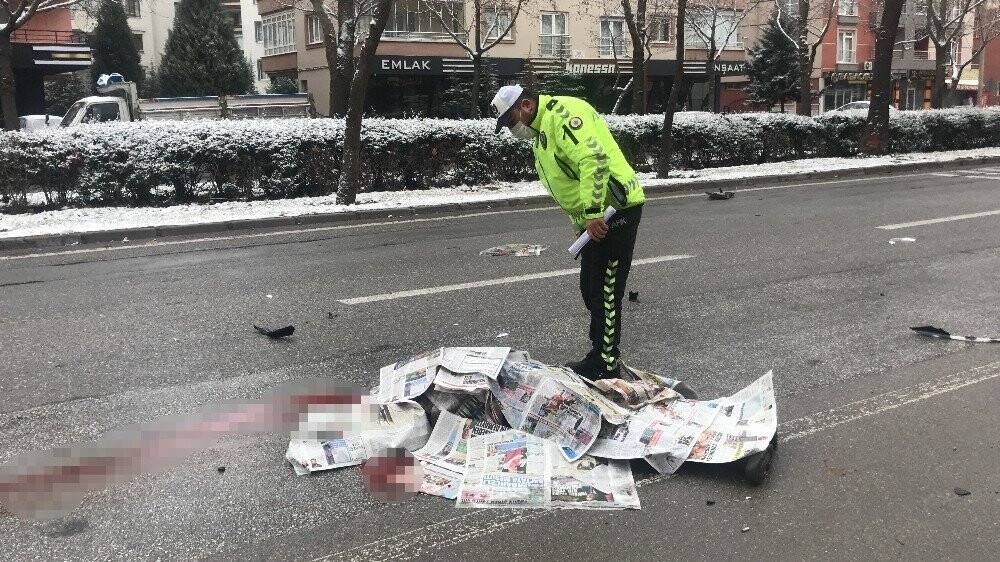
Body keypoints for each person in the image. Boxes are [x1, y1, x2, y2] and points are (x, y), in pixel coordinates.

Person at [490, 84, 645, 380]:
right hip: (596, 215)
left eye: (510, 121)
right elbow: (569, 182)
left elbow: (594, 160)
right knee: (590, 288)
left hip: (615, 208)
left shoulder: (562, 115)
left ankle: (606, 364)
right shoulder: (540, 132)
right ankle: (599, 351)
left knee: (605, 290)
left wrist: (592, 214)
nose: (511, 130)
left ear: (525, 105)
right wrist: (581, 224)